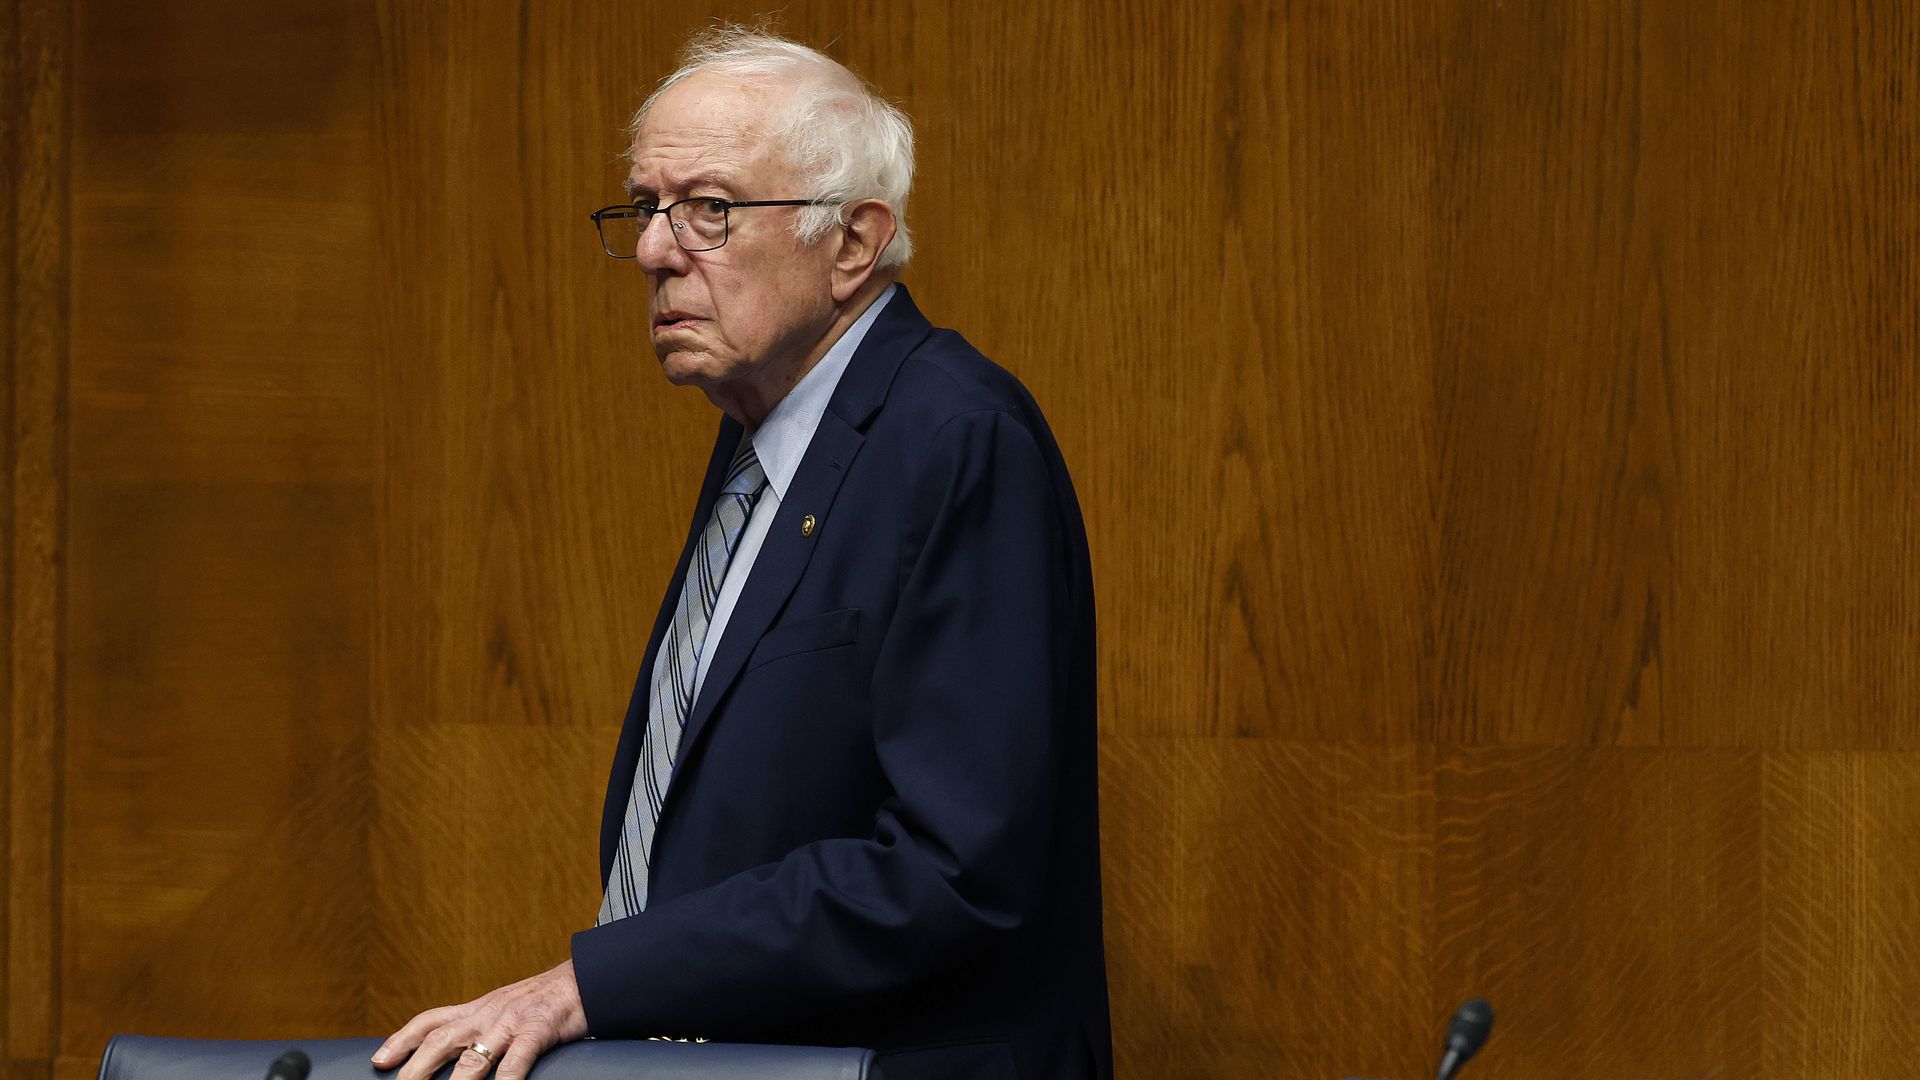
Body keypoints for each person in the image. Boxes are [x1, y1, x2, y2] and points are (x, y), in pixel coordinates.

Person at [373, 27, 1111, 1080]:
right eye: (646, 207)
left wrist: (594, 984)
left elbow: (955, 869)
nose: (653, 250)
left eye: (709, 210)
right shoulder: (764, 432)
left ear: (853, 244)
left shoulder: (954, 438)